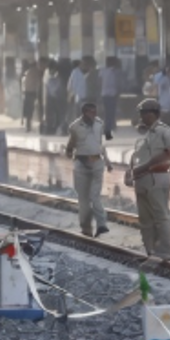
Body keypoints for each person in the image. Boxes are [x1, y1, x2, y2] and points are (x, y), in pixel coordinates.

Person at [126, 98, 170, 261]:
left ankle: (164, 250)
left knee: (161, 215)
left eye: (143, 113)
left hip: (156, 176)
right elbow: (136, 155)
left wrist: (147, 165)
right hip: (141, 178)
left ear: (152, 114)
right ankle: (150, 249)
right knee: (145, 217)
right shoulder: (143, 133)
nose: (141, 117)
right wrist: (130, 170)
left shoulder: (164, 131)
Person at [64, 101, 113, 238]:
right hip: (81, 164)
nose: (94, 114)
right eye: (92, 112)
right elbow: (71, 143)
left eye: (95, 111)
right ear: (85, 113)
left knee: (94, 195)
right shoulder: (75, 127)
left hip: (97, 162)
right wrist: (68, 152)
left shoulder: (99, 124)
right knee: (83, 199)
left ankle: (101, 224)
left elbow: (100, 145)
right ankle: (86, 228)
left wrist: (108, 162)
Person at [100, 57, 121, 137]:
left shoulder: (102, 71)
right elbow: (118, 83)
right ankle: (110, 126)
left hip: (104, 93)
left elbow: (100, 82)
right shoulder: (116, 72)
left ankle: (108, 126)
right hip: (113, 94)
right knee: (112, 111)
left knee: (106, 112)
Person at [21, 60, 41, 132]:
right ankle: (30, 126)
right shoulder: (36, 72)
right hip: (33, 93)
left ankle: (28, 125)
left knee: (28, 110)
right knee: (32, 110)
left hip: (27, 92)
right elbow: (38, 83)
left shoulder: (28, 72)